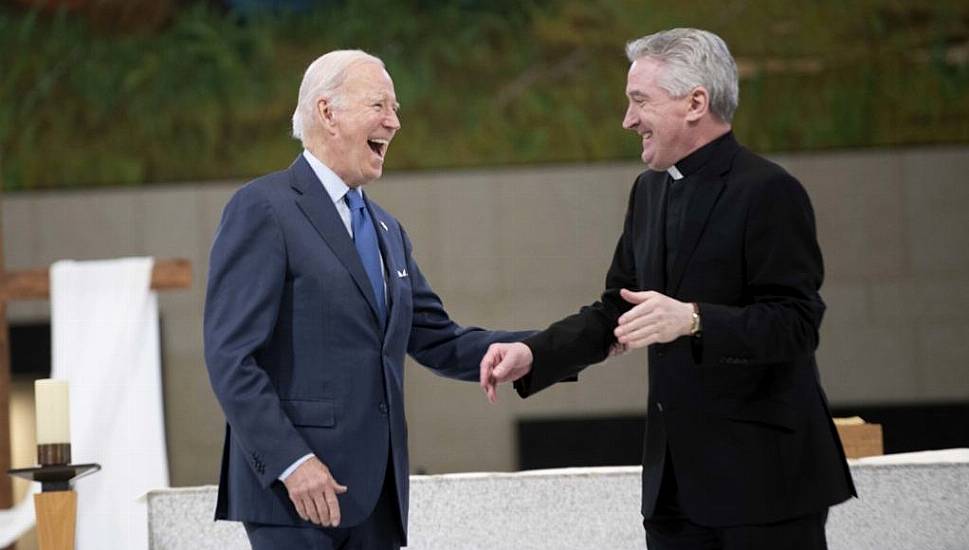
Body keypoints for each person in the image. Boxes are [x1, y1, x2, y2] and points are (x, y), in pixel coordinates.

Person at [480, 28, 855, 550]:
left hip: (765, 488)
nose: (628, 120)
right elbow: (618, 308)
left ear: (695, 102)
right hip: (674, 493)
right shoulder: (650, 189)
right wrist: (533, 353)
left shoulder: (769, 191)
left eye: (639, 101)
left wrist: (694, 319)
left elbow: (796, 323)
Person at [204, 49, 530, 550]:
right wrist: (292, 462)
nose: (394, 123)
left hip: (376, 497)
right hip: (296, 497)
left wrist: (547, 347)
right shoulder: (263, 208)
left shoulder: (386, 230)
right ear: (327, 112)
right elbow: (230, 358)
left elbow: (439, 339)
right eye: (379, 105)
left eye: (395, 109)